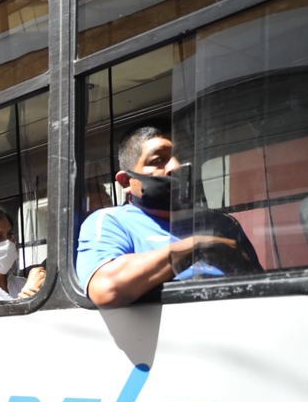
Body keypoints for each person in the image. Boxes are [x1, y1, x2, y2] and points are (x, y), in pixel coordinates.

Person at [77, 125, 262, 307]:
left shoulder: (222, 224)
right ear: (126, 181)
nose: (176, 166)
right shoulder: (110, 221)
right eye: (158, 160)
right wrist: (197, 246)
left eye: (183, 158)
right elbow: (106, 289)